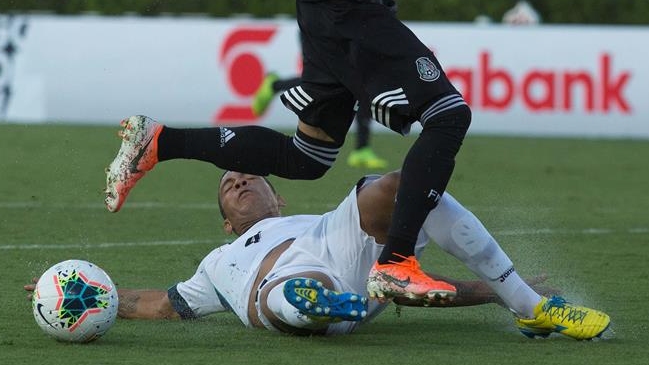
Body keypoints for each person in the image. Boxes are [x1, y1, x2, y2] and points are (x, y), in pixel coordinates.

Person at [105, 0, 496, 303]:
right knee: (448, 114)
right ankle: (396, 262)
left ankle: (159, 142)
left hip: (333, 14)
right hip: (348, 12)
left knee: (309, 156)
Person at [97, 169, 610, 338]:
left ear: (280, 199)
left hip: (334, 247)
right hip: (277, 287)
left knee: (408, 188)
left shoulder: (313, 222)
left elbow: (420, 281)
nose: (239, 179)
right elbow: (158, 304)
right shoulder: (216, 262)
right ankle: (324, 303)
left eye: (251, 178)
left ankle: (527, 305)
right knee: (287, 293)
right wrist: (96, 296)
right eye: (230, 186)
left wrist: (493, 293)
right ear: (228, 224)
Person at [252, 73, 388, 170]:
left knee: (358, 81)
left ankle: (361, 149)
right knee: (331, 82)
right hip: (331, 36)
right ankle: (275, 85)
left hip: (347, 37)